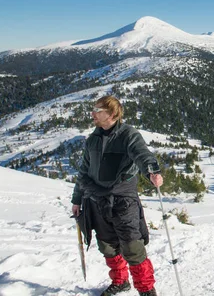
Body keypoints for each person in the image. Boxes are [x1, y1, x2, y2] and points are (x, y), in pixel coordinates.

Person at [71, 95, 164, 296]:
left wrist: (152, 172)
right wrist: (77, 199)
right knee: (107, 246)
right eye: (94, 109)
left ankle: (146, 289)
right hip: (97, 200)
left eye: (98, 110)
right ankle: (120, 281)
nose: (92, 113)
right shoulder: (93, 140)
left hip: (123, 201)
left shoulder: (128, 135)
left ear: (112, 114)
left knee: (132, 246)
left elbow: (142, 154)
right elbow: (84, 171)